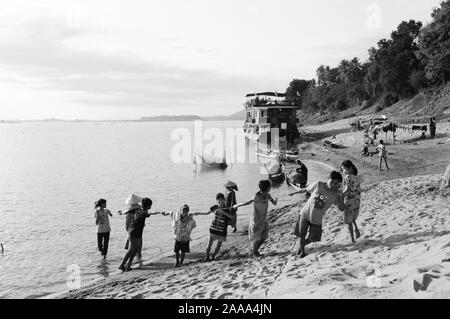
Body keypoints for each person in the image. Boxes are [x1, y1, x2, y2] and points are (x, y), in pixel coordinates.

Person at [290, 171, 345, 258]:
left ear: (338, 184)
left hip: (317, 219)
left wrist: (341, 196)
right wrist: (294, 193)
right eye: (332, 181)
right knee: (302, 234)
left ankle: (302, 245)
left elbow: (341, 209)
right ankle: (302, 252)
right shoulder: (319, 184)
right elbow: (306, 189)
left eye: (336, 183)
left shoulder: (335, 195)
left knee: (312, 238)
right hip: (305, 213)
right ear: (328, 179)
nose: (333, 184)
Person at [233, 180, 278, 257]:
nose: (270, 188)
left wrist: (276, 199)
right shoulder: (256, 197)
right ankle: (255, 252)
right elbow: (246, 202)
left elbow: (274, 203)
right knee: (257, 239)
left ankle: (255, 251)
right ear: (267, 188)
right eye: (270, 186)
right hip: (256, 220)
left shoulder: (268, 196)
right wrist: (236, 206)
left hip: (264, 220)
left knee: (264, 237)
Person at [119, 197, 164, 271]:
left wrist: (121, 213)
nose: (151, 207)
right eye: (150, 205)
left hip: (136, 232)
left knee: (134, 250)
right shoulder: (144, 212)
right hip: (134, 232)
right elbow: (151, 213)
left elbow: (128, 211)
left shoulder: (138, 210)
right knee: (131, 250)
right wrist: (160, 212)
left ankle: (128, 266)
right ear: (149, 206)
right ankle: (122, 265)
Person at [204, 193, 234, 261]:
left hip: (222, 229)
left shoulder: (227, 208)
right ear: (217, 201)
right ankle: (207, 256)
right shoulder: (215, 207)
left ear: (224, 200)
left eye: (221, 199)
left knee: (218, 245)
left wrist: (224, 213)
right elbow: (207, 213)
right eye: (218, 200)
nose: (220, 201)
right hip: (213, 228)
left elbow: (232, 216)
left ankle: (214, 256)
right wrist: (197, 213)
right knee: (209, 244)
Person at [341, 160, 362, 243]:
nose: (343, 171)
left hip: (349, 201)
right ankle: (356, 229)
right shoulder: (356, 177)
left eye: (344, 169)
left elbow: (347, 189)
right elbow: (358, 189)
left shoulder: (347, 177)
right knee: (352, 217)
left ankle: (353, 239)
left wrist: (341, 195)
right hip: (357, 200)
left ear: (349, 169)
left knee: (349, 221)